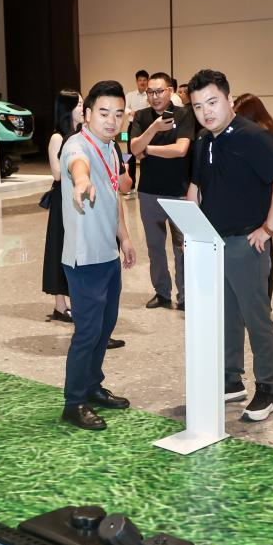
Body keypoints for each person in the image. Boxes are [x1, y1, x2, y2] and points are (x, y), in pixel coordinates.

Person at [188, 69, 273, 422]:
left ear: (229, 100)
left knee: (256, 318)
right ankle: (231, 380)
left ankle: (267, 389)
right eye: (198, 106)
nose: (206, 112)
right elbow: (196, 188)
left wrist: (268, 228)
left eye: (212, 102)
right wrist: (192, 229)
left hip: (246, 244)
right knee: (226, 316)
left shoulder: (253, 137)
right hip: (214, 243)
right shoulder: (203, 141)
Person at [59, 80, 137, 431]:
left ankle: (92, 386)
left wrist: (125, 237)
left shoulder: (111, 148)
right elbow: (79, 167)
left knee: (105, 328)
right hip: (84, 258)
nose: (111, 120)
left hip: (107, 254)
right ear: (87, 113)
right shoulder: (77, 144)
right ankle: (74, 402)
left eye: (118, 114)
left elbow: (114, 194)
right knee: (88, 332)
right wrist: (80, 181)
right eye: (104, 113)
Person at [129, 72, 194, 310]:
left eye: (159, 91)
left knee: (182, 248)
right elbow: (133, 147)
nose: (155, 96)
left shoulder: (184, 114)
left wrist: (148, 150)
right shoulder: (141, 116)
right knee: (155, 247)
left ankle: (186, 296)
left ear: (170, 91)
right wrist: (154, 128)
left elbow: (181, 149)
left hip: (179, 192)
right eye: (151, 92)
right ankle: (162, 292)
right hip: (149, 191)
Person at [234, 93, 273, 301]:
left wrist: (270, 225)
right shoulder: (264, 130)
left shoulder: (260, 135)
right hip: (260, 199)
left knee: (261, 251)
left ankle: (263, 300)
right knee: (264, 253)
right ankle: (264, 299)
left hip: (260, 200)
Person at [43, 89, 81, 322]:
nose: (83, 108)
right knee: (60, 248)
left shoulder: (82, 134)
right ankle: (60, 305)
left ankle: (76, 300)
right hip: (62, 199)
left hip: (77, 197)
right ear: (68, 109)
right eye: (79, 104)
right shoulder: (58, 137)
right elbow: (57, 174)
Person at [123, 70, 150, 195]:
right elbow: (124, 107)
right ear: (136, 81)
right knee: (131, 155)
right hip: (132, 126)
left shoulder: (149, 95)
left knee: (147, 154)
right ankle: (131, 185)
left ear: (147, 81)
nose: (142, 82)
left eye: (144, 80)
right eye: (140, 80)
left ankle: (146, 184)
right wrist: (131, 112)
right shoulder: (130, 95)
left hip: (147, 127)